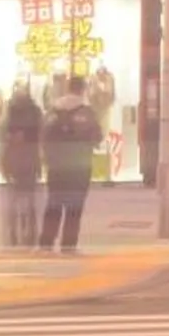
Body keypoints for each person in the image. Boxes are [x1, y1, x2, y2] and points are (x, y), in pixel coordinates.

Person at [39, 75, 101, 255]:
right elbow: (97, 137)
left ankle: (46, 243)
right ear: (83, 89)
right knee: (74, 206)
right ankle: (68, 245)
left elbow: (42, 136)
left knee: (53, 204)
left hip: (56, 167)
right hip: (79, 167)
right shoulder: (87, 112)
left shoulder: (53, 111)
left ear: (68, 88)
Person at [0, 84, 43, 248]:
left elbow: (1, 135)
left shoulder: (9, 113)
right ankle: (29, 228)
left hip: (14, 160)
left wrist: (2, 163)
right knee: (29, 198)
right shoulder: (36, 112)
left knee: (14, 198)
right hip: (29, 159)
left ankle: (13, 230)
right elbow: (41, 135)